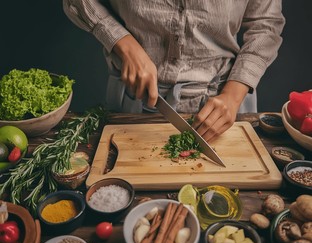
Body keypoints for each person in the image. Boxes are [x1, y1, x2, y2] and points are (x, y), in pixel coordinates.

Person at [63, 0, 285, 142]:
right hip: (134, 98)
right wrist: (123, 43)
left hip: (224, 104)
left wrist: (233, 96)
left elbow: (265, 25)